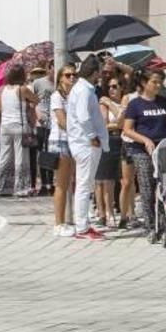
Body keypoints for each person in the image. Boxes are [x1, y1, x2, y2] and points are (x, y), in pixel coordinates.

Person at [122, 70, 166, 231]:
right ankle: (150, 224)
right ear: (143, 83)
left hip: (163, 148)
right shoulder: (135, 104)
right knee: (147, 184)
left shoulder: (164, 101)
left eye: (160, 82)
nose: (158, 85)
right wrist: (145, 139)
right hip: (141, 149)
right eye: (154, 82)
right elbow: (127, 129)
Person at [67, 56, 109, 240]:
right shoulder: (84, 90)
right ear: (94, 73)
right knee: (84, 184)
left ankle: (83, 223)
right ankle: (82, 227)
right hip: (86, 143)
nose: (101, 74)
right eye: (99, 70)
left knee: (86, 184)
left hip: (84, 142)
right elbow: (83, 116)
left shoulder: (83, 88)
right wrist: (92, 136)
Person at [0, 64, 39, 197]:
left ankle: (3, 187)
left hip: (5, 126)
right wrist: (29, 105)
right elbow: (36, 99)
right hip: (19, 125)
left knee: (5, 156)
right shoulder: (22, 89)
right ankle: (21, 188)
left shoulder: (3, 90)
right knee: (21, 157)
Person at [95, 76, 126, 228]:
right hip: (109, 140)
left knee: (124, 180)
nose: (112, 89)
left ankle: (125, 213)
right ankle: (107, 213)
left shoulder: (125, 101)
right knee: (105, 180)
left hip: (123, 140)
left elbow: (123, 122)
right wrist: (118, 123)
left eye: (115, 86)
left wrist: (113, 107)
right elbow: (105, 124)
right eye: (110, 87)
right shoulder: (103, 103)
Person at [50, 65, 77, 237]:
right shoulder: (56, 96)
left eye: (74, 75)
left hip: (72, 140)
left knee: (71, 182)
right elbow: (62, 121)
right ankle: (58, 223)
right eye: (68, 75)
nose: (71, 78)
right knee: (61, 184)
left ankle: (70, 219)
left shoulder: (73, 95)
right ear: (60, 78)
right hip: (60, 140)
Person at [119, 73, 142, 228]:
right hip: (128, 142)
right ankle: (123, 216)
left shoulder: (155, 98)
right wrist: (123, 111)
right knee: (127, 182)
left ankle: (135, 214)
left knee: (144, 181)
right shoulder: (129, 98)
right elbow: (121, 123)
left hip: (144, 142)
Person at [32, 62, 55, 195]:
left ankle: (50, 183)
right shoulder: (38, 83)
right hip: (42, 122)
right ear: (48, 69)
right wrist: (37, 113)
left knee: (51, 153)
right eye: (53, 69)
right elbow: (33, 100)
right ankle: (43, 184)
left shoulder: (60, 83)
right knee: (41, 152)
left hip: (54, 123)